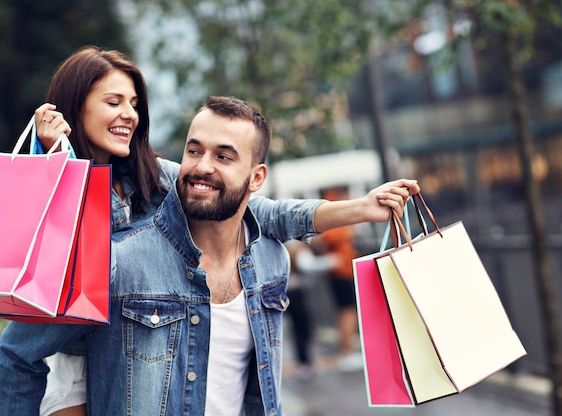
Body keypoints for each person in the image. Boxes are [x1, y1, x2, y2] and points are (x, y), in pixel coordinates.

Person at [0, 95, 419, 415]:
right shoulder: (120, 262)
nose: (201, 167)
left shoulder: (272, 261)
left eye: (223, 156)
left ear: (256, 178)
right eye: (194, 151)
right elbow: (17, 352)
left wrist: (363, 209)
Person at [27, 46, 346, 416]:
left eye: (133, 103)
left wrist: (359, 210)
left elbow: (247, 206)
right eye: (113, 102)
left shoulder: (154, 173)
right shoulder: (55, 176)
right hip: (80, 344)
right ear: (74, 108)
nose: (129, 114)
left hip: (143, 332)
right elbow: (29, 328)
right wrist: (52, 154)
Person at [314, 186, 364, 372]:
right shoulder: (334, 211)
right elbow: (326, 237)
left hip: (344, 269)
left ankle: (348, 351)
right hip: (340, 270)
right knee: (347, 310)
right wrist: (348, 231)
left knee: (348, 310)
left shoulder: (335, 209)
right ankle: (347, 351)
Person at [284, 240, 336, 380]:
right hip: (296, 292)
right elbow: (308, 266)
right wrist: (332, 261)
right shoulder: (297, 248)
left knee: (299, 328)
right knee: (304, 328)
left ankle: (305, 362)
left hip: (289, 292)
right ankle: (305, 362)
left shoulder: (286, 247)